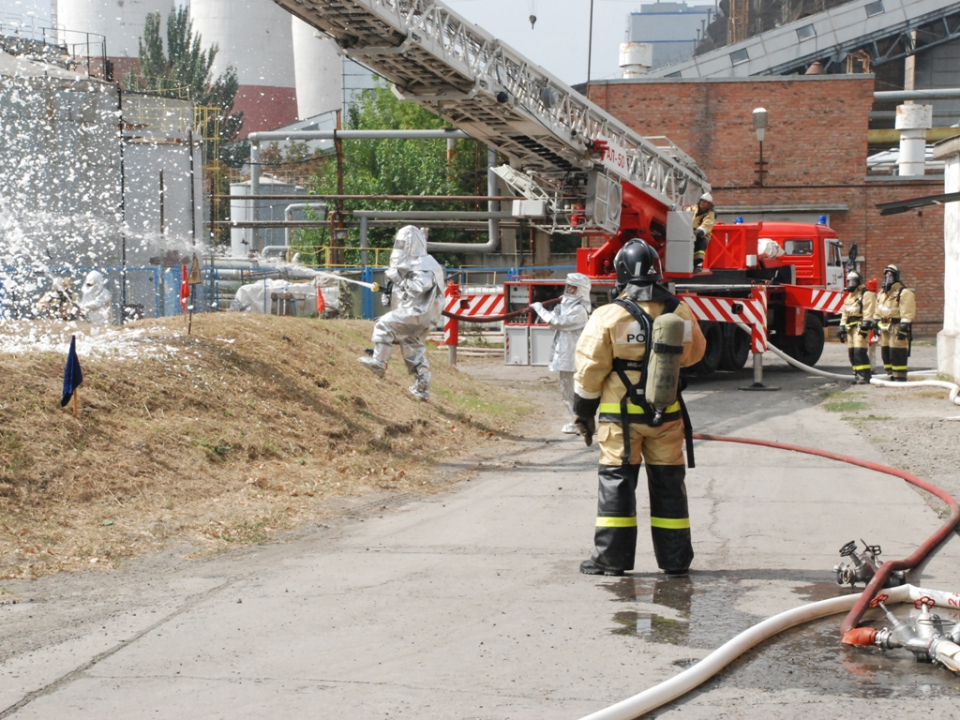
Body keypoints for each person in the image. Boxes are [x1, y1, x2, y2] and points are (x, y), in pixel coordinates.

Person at [573, 238, 706, 577]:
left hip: (620, 421)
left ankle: (611, 559)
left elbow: (589, 370)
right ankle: (675, 560)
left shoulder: (608, 315)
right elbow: (695, 354)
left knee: (617, 484)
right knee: (668, 485)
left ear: (620, 274)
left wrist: (582, 412)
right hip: (668, 415)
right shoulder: (680, 311)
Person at [358, 226, 444, 400]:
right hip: (418, 316)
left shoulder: (424, 263)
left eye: (402, 244)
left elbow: (418, 288)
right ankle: (422, 389)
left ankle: (379, 363)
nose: (399, 248)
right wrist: (391, 294)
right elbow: (405, 291)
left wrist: (398, 279)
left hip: (417, 313)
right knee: (413, 349)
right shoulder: (418, 265)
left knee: (384, 325)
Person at [530, 273, 593, 435]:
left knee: (574, 390)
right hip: (566, 354)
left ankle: (580, 422)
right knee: (567, 390)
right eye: (569, 286)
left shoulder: (579, 309)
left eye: (573, 287)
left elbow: (558, 322)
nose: (569, 290)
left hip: (572, 356)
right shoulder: (571, 305)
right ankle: (577, 421)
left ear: (582, 290)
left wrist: (540, 310)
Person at [876, 264, 916, 382]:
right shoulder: (882, 293)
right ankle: (890, 374)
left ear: (896, 277)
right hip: (885, 328)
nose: (888, 278)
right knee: (886, 353)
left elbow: (908, 311)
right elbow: (878, 309)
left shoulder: (904, 292)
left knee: (897, 352)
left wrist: (904, 326)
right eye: (886, 276)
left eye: (891, 276)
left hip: (897, 327)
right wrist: (875, 321)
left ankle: (900, 376)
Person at [837, 270, 877, 384]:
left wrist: (866, 325)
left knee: (860, 351)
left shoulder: (866, 294)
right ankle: (857, 374)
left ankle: (865, 376)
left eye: (853, 281)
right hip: (850, 328)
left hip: (860, 327)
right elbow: (845, 313)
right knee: (852, 352)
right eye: (849, 281)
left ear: (858, 282)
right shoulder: (849, 297)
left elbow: (869, 311)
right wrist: (842, 327)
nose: (851, 284)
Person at [689, 192, 716, 273]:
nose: (702, 202)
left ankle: (696, 263)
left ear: (709, 204)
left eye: (705, 201)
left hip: (703, 234)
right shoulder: (691, 209)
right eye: (702, 200)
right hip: (689, 231)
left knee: (701, 243)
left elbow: (706, 225)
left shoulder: (710, 214)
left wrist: (698, 232)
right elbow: (685, 217)